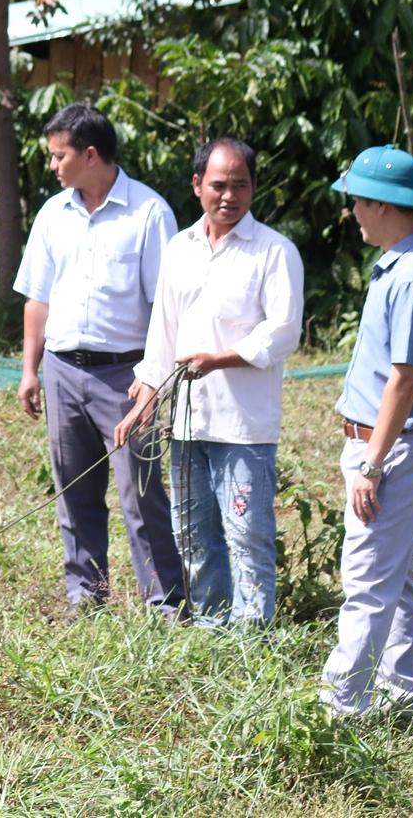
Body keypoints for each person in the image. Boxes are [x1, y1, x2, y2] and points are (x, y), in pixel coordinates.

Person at [113, 137, 304, 627]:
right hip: (187, 425)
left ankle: (251, 640)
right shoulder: (180, 249)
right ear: (197, 185)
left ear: (255, 187)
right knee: (193, 536)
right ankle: (213, 631)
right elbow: (163, 334)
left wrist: (219, 359)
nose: (229, 195)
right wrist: (144, 399)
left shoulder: (274, 252)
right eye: (218, 184)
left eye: (241, 185)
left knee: (248, 537)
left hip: (244, 428)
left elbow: (282, 333)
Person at [14, 103, 185, 617]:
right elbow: (37, 298)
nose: (52, 166)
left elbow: (165, 309)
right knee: (74, 492)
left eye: (58, 156)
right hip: (64, 371)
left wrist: (153, 382)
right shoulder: (52, 214)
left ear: (90, 155)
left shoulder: (149, 214)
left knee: (142, 496)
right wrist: (30, 369)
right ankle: (85, 597)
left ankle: (165, 603)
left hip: (126, 377)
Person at [320, 144, 413, 715]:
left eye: (355, 202)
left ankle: (340, 710)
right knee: (392, 577)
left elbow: (404, 377)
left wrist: (372, 463)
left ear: (382, 204)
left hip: (389, 447)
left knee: (367, 583)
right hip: (382, 442)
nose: (351, 212)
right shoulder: (404, 265)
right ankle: (400, 694)